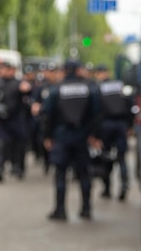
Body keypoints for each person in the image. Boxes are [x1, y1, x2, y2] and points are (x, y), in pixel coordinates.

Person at [42, 60, 102, 221]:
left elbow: (47, 115)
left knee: (60, 174)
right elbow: (97, 114)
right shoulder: (90, 88)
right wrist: (94, 135)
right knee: (84, 174)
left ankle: (60, 210)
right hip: (82, 137)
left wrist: (47, 136)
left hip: (61, 137)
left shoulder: (56, 89)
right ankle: (86, 209)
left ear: (64, 71)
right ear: (77, 70)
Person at [93, 63, 134, 201]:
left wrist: (95, 134)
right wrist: (130, 126)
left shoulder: (98, 88)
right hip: (121, 125)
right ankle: (124, 185)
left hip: (106, 126)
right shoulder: (120, 86)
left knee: (106, 157)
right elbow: (130, 105)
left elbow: (96, 112)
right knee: (122, 157)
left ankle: (107, 188)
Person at [0, 62, 32, 182]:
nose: (7, 72)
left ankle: (18, 167)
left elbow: (29, 100)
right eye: (5, 69)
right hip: (1, 121)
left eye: (10, 69)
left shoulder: (19, 84)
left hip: (17, 119)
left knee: (19, 145)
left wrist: (27, 90)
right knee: (0, 145)